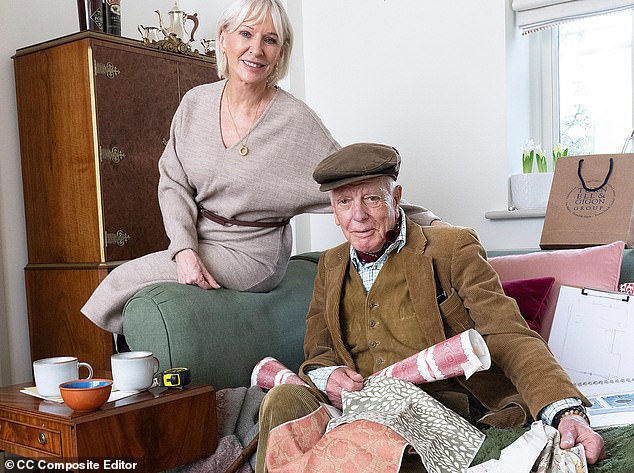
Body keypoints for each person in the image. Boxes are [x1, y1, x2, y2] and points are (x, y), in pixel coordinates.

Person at [80, 0, 445, 336]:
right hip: (201, 240)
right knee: (127, 285)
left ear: (280, 53)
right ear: (224, 38)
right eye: (246, 34)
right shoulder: (195, 103)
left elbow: (352, 183)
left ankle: (99, 371)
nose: (256, 49)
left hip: (253, 255)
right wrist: (184, 249)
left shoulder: (296, 122)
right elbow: (173, 183)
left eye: (270, 40)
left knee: (121, 281)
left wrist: (428, 221)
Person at [256, 143, 605, 472]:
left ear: (396, 198)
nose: (358, 216)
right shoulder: (330, 265)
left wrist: (566, 412)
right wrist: (328, 376)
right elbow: (318, 354)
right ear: (334, 210)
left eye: (372, 198)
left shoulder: (453, 248)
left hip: (439, 408)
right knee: (282, 400)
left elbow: (507, 333)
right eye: (345, 202)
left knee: (367, 434)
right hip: (356, 407)